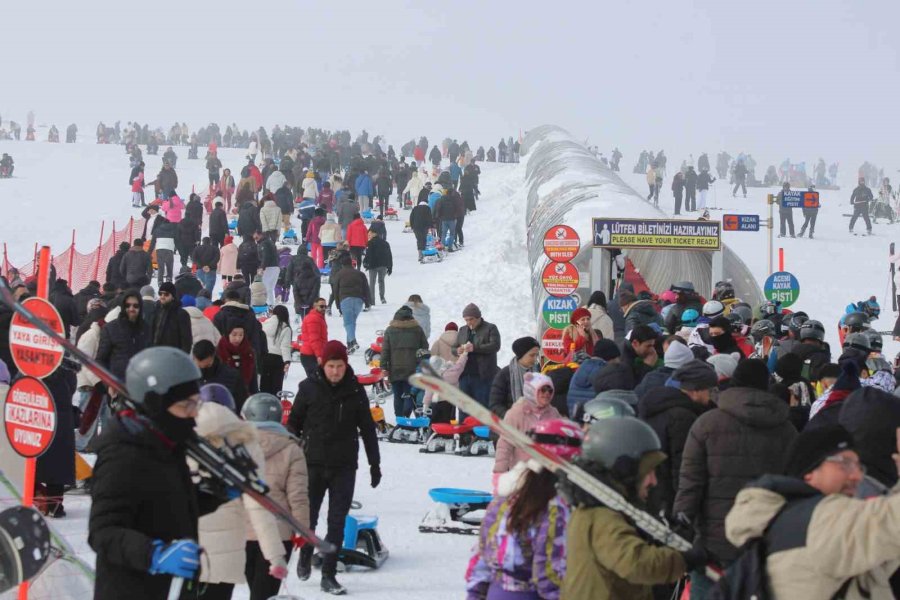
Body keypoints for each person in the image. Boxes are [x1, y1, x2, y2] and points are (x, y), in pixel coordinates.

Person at [88, 347, 225, 600]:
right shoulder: (122, 455)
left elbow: (169, 504)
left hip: (170, 588)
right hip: (130, 590)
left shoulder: (166, 442)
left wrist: (216, 493)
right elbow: (103, 532)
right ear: (156, 405)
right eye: (186, 405)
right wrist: (154, 554)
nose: (194, 414)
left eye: (197, 403)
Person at [724, 424, 900, 599]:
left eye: (858, 466)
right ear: (809, 472)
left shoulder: (790, 524)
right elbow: (890, 521)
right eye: (845, 464)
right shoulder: (822, 521)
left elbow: (884, 552)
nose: (857, 476)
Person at [673, 358, 797, 598]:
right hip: (763, 548)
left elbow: (689, 487)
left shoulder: (706, 425)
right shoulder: (788, 431)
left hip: (712, 548)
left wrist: (681, 539)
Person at [561, 417, 700, 599]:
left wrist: (656, 541)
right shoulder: (602, 516)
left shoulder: (604, 510)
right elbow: (635, 563)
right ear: (624, 470)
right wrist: (682, 560)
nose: (653, 481)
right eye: (647, 471)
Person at [287, 341, 381, 595]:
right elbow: (293, 424)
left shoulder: (355, 391)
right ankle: (306, 552)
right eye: (331, 366)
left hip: (344, 465)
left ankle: (328, 574)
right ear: (322, 365)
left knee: (337, 522)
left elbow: (368, 429)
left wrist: (375, 463)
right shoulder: (307, 388)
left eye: (340, 366)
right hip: (313, 463)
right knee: (309, 518)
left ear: (346, 365)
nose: (336, 371)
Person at [466, 419, 584, 600]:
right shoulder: (555, 509)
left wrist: (475, 594)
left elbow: (481, 557)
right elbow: (551, 574)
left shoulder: (504, 500)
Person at [190, 400, 286, 600]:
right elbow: (260, 507)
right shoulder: (243, 447)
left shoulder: (183, 441)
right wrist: (275, 556)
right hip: (226, 560)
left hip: (185, 555)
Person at [241, 394, 310, 600]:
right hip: (278, 534)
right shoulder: (291, 449)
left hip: (242, 531)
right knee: (264, 592)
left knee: (254, 586)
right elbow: (297, 496)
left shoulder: (235, 447)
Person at [638, 360, 717, 519]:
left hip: (655, 494)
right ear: (696, 391)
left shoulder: (661, 407)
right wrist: (682, 510)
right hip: (670, 500)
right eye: (710, 390)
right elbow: (682, 466)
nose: (712, 396)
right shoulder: (683, 417)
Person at [494, 373, 562, 478]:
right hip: (522, 472)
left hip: (547, 474)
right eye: (543, 390)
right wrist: (499, 473)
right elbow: (505, 444)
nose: (547, 393)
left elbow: (562, 441)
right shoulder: (516, 413)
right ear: (531, 390)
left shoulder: (553, 413)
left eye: (550, 390)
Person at [381, 305, 429, 418]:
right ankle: (413, 420)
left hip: (395, 370)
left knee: (398, 396)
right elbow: (425, 347)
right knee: (410, 395)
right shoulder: (417, 329)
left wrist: (384, 368)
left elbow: (385, 351)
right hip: (412, 369)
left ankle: (400, 420)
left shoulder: (390, 330)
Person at [453, 303, 501, 411]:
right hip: (464, 375)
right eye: (466, 320)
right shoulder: (462, 330)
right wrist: (457, 350)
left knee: (482, 408)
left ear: (479, 317)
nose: (469, 322)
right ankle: (465, 428)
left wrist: (475, 348)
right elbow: (453, 347)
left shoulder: (490, 328)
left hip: (483, 375)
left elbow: (495, 346)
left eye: (471, 319)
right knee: (464, 408)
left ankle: (482, 428)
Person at [96, 291, 150, 380]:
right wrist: (109, 384)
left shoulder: (146, 328)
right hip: (118, 386)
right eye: (128, 305)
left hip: (141, 384)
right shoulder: (110, 328)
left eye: (135, 306)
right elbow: (100, 360)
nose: (131, 309)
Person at [490, 337, 540, 418]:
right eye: (532, 355)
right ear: (521, 355)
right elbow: (495, 404)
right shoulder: (505, 374)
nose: (535, 359)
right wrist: (512, 417)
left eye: (537, 355)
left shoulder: (539, 372)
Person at [330, 254, 371, 353]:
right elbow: (366, 288)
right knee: (351, 323)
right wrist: (367, 302)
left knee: (348, 323)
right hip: (358, 300)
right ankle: (349, 346)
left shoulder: (339, 274)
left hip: (345, 299)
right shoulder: (360, 274)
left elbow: (335, 291)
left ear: (342, 264)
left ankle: (353, 341)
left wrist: (338, 305)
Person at [192, 340, 248, 412]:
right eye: (199, 366)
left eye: (207, 366)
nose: (203, 370)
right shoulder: (188, 377)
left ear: (213, 356)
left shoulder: (232, 376)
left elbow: (242, 405)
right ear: (193, 358)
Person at [149, 282, 192, 353]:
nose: (162, 296)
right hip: (155, 355)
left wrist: (181, 358)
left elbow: (186, 341)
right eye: (160, 293)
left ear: (173, 296)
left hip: (173, 357)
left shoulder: (181, 314)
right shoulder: (155, 311)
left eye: (166, 294)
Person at [260, 305, 292, 394]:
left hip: (264, 358)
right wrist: (287, 361)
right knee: (276, 388)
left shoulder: (264, 324)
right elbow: (284, 346)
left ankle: (263, 405)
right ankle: (275, 405)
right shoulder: (286, 328)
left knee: (264, 385)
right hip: (278, 360)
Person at [217, 324, 257, 392]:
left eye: (241, 335)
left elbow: (253, 380)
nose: (238, 339)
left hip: (244, 394)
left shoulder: (249, 352)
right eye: (234, 335)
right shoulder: (219, 352)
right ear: (227, 335)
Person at [285, 245, 321, 318]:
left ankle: (298, 309)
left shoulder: (293, 259)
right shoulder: (309, 259)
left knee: (297, 295)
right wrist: (317, 279)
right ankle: (310, 308)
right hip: (310, 279)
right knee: (311, 294)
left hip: (296, 280)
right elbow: (316, 271)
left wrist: (287, 283)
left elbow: (289, 271)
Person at [299, 298, 328, 378]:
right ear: (315, 306)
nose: (324, 309)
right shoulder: (314, 318)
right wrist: (319, 355)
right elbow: (314, 339)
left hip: (311, 354)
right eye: (321, 306)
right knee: (317, 383)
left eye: (326, 306)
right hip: (311, 355)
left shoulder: (318, 317)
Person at [363, 229, 392, 305]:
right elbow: (389, 255)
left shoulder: (370, 243)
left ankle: (372, 301)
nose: (368, 236)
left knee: (372, 283)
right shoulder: (385, 243)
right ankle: (382, 298)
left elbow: (368, 254)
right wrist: (390, 266)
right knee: (381, 281)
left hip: (373, 266)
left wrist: (365, 263)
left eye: (369, 234)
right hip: (383, 265)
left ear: (374, 233)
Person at [254, 229, 280, 307]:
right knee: (270, 289)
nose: (254, 237)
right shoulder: (269, 242)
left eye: (256, 235)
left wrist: (262, 267)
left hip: (269, 268)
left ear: (260, 235)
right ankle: (271, 305)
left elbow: (266, 256)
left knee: (265, 288)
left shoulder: (264, 244)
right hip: (275, 267)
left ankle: (267, 305)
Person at [409, 195, 433, 262]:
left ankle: (420, 254)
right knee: (424, 239)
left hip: (416, 227)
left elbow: (411, 217)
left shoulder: (415, 208)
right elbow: (429, 218)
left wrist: (412, 226)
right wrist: (431, 226)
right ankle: (423, 253)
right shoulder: (428, 208)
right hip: (424, 227)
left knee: (419, 240)